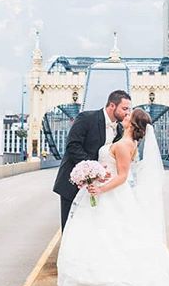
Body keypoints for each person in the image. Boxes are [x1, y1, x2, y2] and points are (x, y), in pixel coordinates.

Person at [57, 108, 169, 286]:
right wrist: (100, 173)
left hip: (111, 194)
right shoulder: (127, 142)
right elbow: (116, 170)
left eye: (129, 115)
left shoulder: (123, 145)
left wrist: (100, 189)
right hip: (111, 191)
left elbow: (122, 177)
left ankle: (107, 274)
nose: (125, 116)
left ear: (133, 123)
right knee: (108, 234)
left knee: (109, 234)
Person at [53, 90, 132, 231]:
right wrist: (94, 169)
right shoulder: (86, 118)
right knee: (70, 228)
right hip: (73, 183)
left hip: (96, 189)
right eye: (124, 109)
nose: (127, 113)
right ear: (112, 106)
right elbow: (73, 146)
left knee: (89, 229)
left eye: (129, 109)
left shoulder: (119, 129)